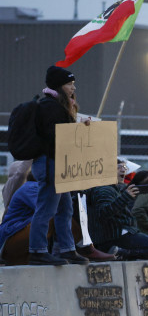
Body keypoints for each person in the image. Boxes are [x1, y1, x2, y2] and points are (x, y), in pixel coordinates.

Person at [27, 66, 90, 265]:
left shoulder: (58, 106)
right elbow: (55, 136)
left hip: (58, 164)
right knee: (47, 209)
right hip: (50, 163)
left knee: (65, 209)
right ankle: (37, 251)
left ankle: (67, 249)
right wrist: (77, 129)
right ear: (58, 86)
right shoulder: (49, 106)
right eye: (69, 84)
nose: (73, 87)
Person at [86, 159, 148, 261]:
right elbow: (104, 213)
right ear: (107, 170)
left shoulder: (114, 188)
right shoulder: (104, 189)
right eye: (119, 167)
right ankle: (121, 253)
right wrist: (125, 197)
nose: (123, 170)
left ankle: (122, 253)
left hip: (121, 234)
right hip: (114, 237)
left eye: (124, 167)